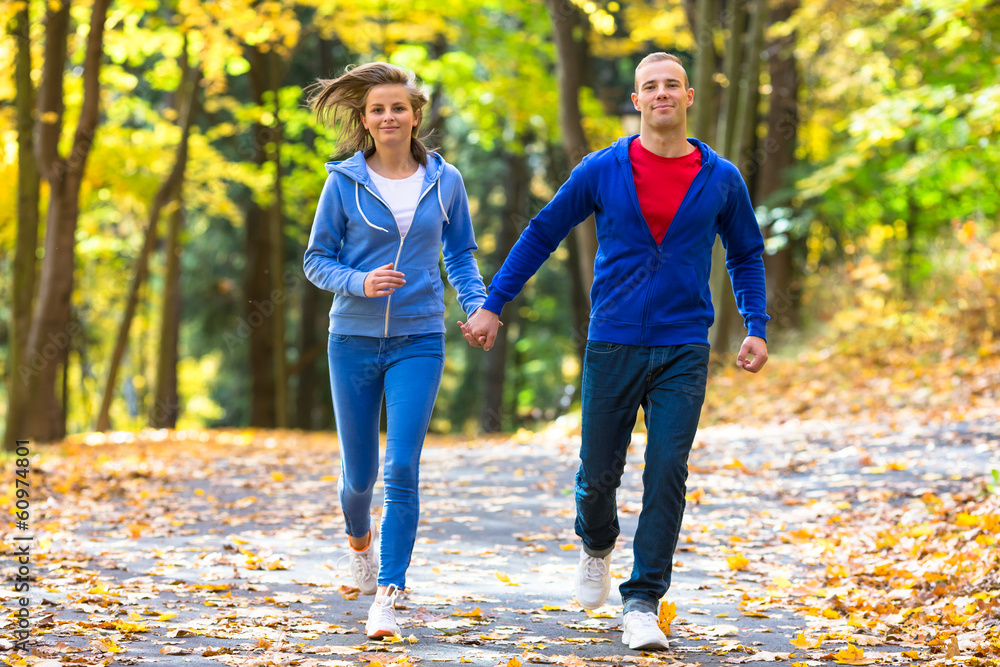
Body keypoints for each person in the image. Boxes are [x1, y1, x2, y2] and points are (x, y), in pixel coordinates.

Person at [460, 52, 769, 651]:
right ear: (636, 100)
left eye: (671, 85)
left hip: (683, 345)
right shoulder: (602, 169)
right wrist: (493, 304)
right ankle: (596, 541)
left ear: (689, 96)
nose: (661, 94)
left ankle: (643, 600)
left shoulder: (722, 178)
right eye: (649, 86)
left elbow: (746, 253)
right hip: (613, 342)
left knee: (667, 470)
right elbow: (542, 231)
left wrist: (756, 323)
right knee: (596, 478)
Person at [304, 62, 487, 640]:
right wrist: (360, 282)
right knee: (359, 478)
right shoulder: (342, 182)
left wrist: (477, 303)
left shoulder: (445, 180)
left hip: (419, 336)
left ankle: (390, 591)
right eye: (378, 108)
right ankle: (359, 543)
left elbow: (459, 254)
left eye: (399, 108)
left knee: (400, 467)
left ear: (415, 117)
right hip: (352, 338)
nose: (389, 116)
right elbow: (315, 260)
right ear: (365, 119)